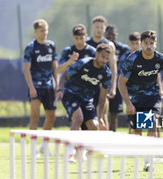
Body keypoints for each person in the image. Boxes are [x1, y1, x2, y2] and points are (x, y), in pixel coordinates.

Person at [118, 30, 163, 172]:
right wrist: (128, 103)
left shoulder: (161, 60)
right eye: (146, 43)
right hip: (134, 99)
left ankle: (148, 161)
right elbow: (121, 83)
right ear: (141, 44)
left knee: (152, 122)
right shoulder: (132, 60)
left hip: (152, 97)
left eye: (151, 43)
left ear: (155, 44)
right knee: (137, 131)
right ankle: (142, 154)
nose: (148, 46)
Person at [55, 44, 113, 149]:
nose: (104, 60)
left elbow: (103, 97)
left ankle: (83, 150)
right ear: (96, 54)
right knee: (78, 118)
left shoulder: (106, 73)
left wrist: (100, 118)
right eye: (102, 57)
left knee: (94, 125)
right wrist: (60, 89)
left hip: (87, 99)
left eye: (107, 59)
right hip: (70, 93)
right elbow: (64, 75)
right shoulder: (83, 63)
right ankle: (71, 151)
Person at [23, 19, 58, 154]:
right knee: (35, 116)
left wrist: (56, 84)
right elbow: (26, 70)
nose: (45, 33)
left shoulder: (51, 45)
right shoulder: (31, 47)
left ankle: (44, 145)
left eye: (46, 30)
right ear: (35, 32)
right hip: (36, 87)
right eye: (42, 31)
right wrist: (31, 87)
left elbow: (55, 66)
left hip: (49, 86)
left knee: (51, 116)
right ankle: (33, 148)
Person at [86, 16, 117, 130]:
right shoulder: (86, 43)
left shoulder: (110, 44)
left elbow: (113, 67)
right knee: (87, 116)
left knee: (103, 115)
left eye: (101, 27)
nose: (99, 29)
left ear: (105, 29)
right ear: (93, 28)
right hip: (88, 85)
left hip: (102, 84)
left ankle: (105, 142)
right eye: (97, 27)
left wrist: (113, 87)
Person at [105, 25, 131, 131]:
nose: (111, 36)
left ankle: (112, 133)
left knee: (114, 113)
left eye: (113, 34)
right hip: (103, 81)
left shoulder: (123, 49)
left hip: (117, 84)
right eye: (109, 33)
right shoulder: (101, 47)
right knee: (101, 111)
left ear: (117, 34)